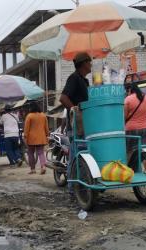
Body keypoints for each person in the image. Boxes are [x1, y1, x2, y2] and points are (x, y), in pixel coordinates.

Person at [59, 52, 92, 186]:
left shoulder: (84, 80)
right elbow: (63, 98)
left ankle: (82, 183)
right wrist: (75, 111)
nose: (91, 65)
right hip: (75, 124)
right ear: (83, 63)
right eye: (89, 62)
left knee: (83, 153)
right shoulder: (74, 78)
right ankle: (73, 187)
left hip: (85, 124)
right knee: (75, 155)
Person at [124, 83, 146, 158]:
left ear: (130, 90)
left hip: (131, 130)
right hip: (145, 129)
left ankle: (128, 168)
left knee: (129, 151)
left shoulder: (128, 99)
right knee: (145, 151)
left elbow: (124, 117)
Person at [24, 102, 49, 175]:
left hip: (31, 138)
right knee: (41, 153)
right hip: (41, 137)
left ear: (31, 108)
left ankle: (33, 169)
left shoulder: (29, 116)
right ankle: (43, 167)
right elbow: (46, 127)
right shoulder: (43, 116)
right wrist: (47, 134)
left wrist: (25, 136)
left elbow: (26, 128)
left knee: (31, 153)